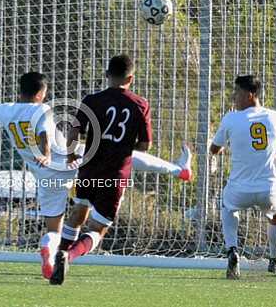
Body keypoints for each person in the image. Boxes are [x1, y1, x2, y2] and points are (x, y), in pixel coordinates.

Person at [0, 71, 192, 280]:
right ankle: (178, 170)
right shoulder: (43, 109)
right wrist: (46, 153)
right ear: (42, 93)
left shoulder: (5, 111)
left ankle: (49, 250)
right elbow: (44, 133)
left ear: (21, 90)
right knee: (124, 154)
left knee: (53, 228)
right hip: (67, 160)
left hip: (45, 177)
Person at [49, 54, 192, 285]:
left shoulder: (92, 100)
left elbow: (74, 133)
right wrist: (125, 145)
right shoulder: (140, 104)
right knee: (99, 228)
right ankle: (69, 255)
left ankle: (59, 256)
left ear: (107, 75)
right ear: (131, 78)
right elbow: (145, 146)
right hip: (115, 174)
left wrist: (72, 154)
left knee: (78, 212)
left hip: (89, 170)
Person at [210, 75, 276, 279]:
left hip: (239, 189)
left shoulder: (231, 118)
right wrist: (270, 154)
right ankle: (274, 259)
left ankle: (232, 250)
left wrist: (230, 147)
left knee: (228, 208)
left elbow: (214, 149)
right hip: (269, 188)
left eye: (237, 93)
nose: (234, 98)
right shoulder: (275, 117)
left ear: (250, 95)